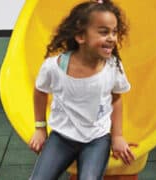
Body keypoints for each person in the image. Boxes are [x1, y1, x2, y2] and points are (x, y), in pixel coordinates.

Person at [28, 1, 137, 179]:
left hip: (97, 139)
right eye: (104, 32)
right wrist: (40, 128)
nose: (112, 38)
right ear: (80, 36)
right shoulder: (54, 67)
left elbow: (116, 98)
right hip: (62, 137)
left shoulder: (113, 67)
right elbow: (40, 91)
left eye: (114, 32)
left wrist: (117, 136)